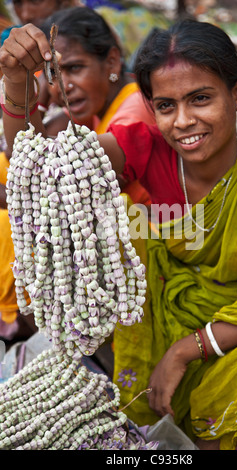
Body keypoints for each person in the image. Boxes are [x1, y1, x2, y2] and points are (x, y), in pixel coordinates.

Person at [1, 18, 237, 451]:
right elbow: (40, 169)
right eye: (165, 105)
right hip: (160, 321)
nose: (183, 122)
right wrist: (15, 81)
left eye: (200, 99)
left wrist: (187, 349)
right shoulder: (145, 146)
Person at [0, 6, 154, 342]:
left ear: (112, 63)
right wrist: (28, 86)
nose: (64, 86)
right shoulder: (95, 108)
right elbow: (31, 151)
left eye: (74, 68)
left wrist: (17, 84)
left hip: (151, 244)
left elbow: (44, 177)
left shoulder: (134, 110)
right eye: (55, 73)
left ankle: (21, 321)